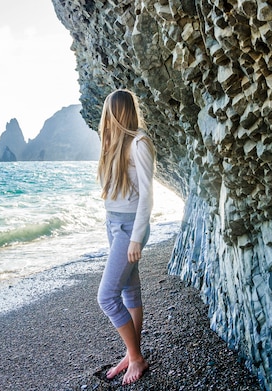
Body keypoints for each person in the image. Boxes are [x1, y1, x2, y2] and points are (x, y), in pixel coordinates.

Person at [96, 89, 156, 385]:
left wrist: (136, 237)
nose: (105, 117)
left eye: (109, 111)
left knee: (107, 296)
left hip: (131, 228)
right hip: (114, 224)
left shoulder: (139, 144)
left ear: (118, 112)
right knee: (128, 291)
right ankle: (132, 352)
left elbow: (147, 195)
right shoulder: (114, 144)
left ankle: (136, 357)